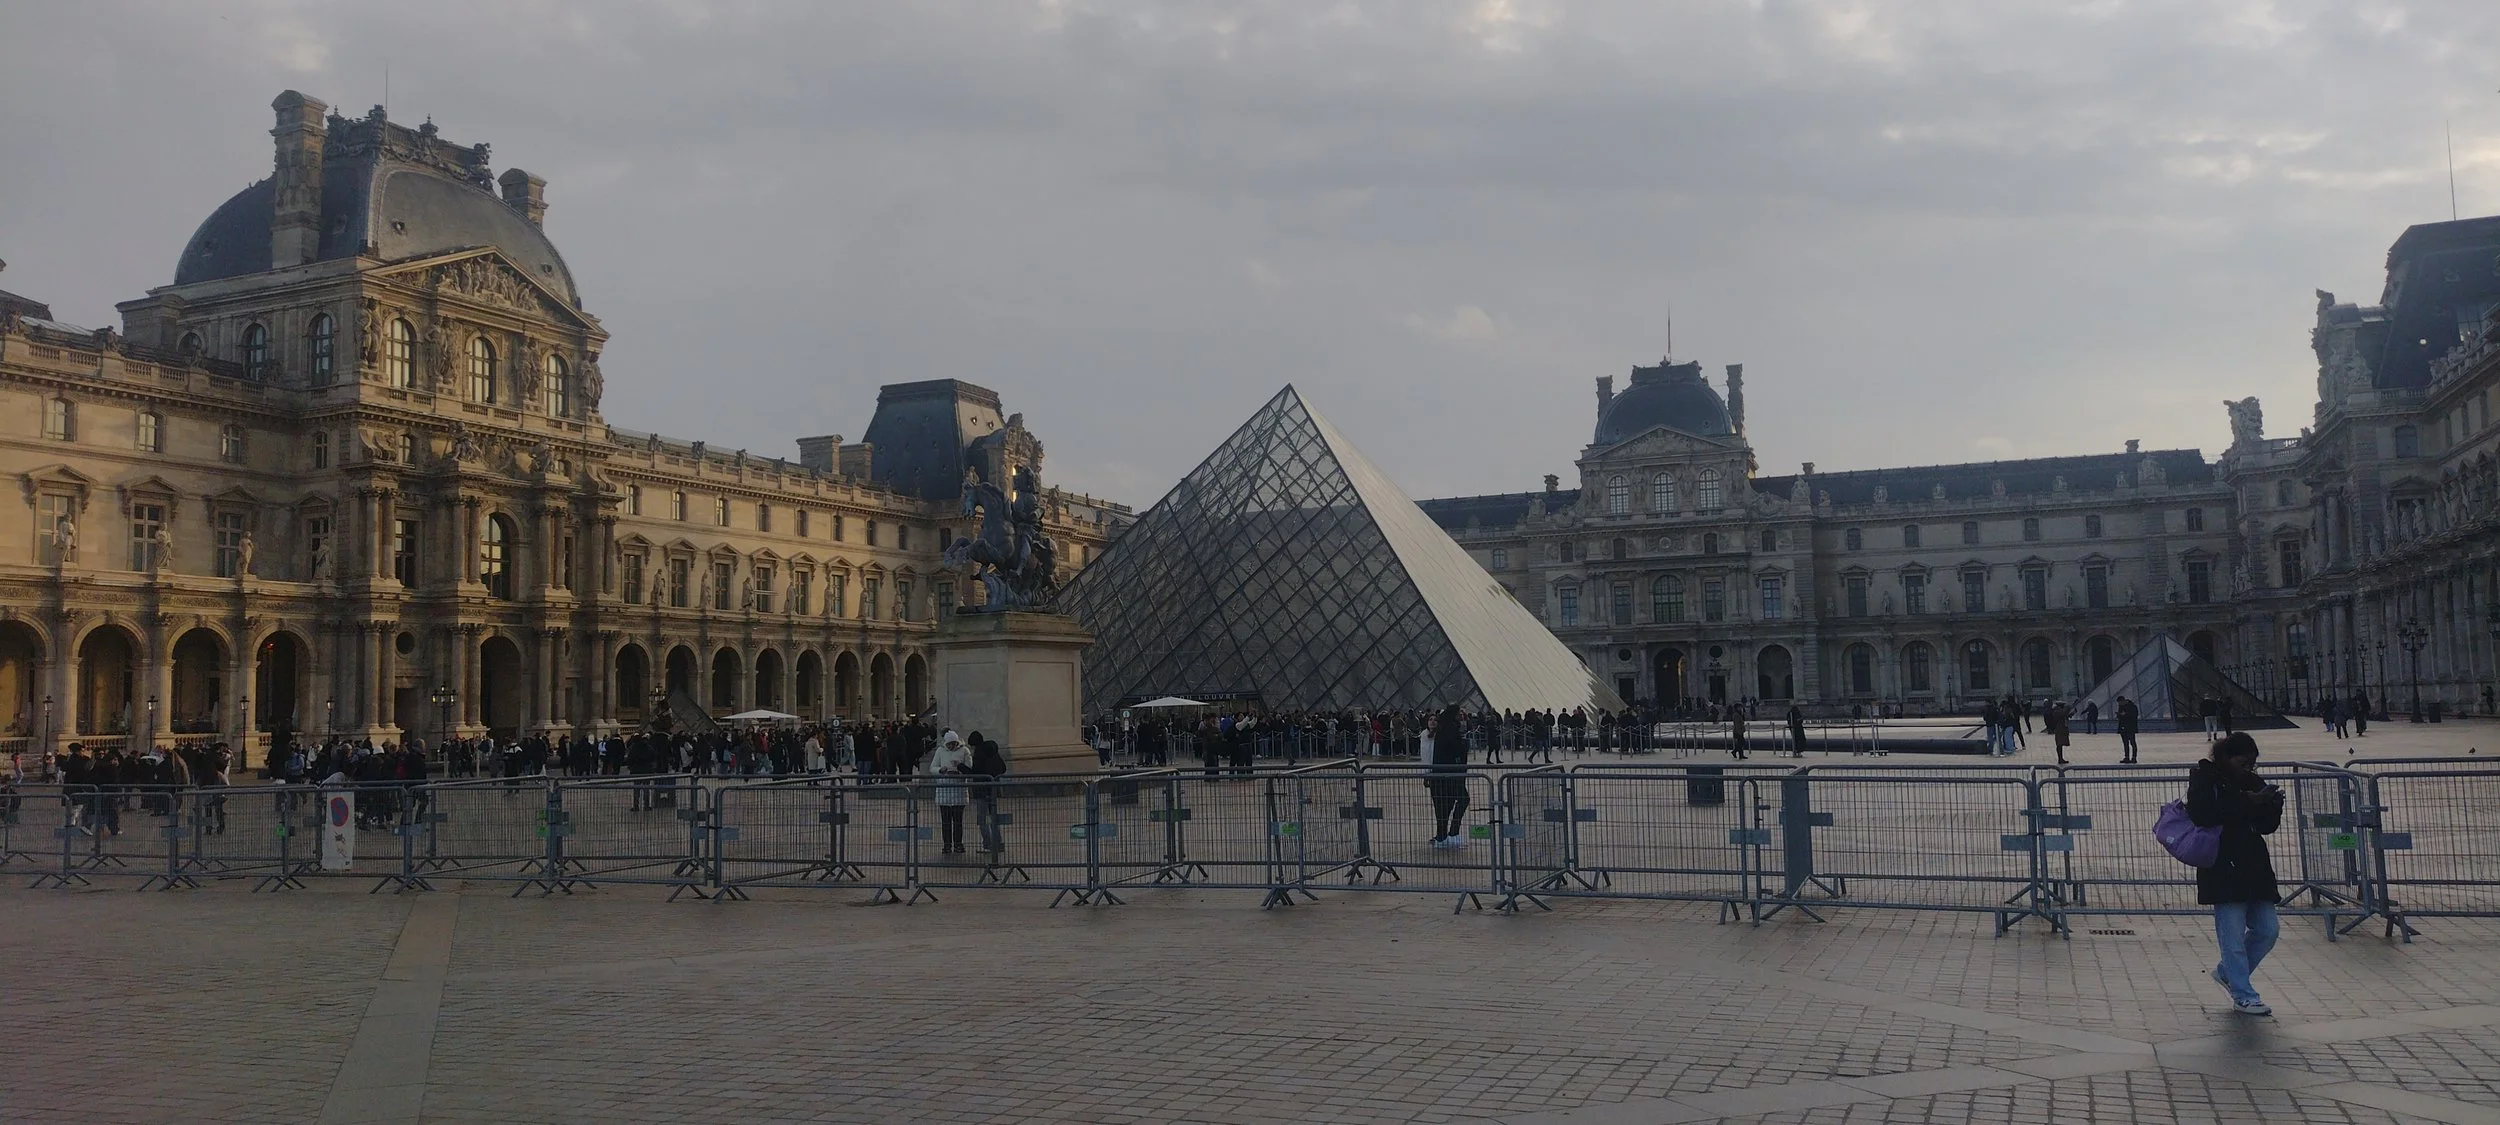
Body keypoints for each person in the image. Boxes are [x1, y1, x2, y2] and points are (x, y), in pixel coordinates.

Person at [2187, 732, 2285, 1016]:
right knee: (2231, 934)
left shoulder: (2253, 781)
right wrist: (2248, 801)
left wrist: (2271, 807)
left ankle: (2227, 973)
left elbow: (2266, 826)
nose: (2250, 769)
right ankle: (2244, 994)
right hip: (2221, 863)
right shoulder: (2205, 779)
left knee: (2268, 930)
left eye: (2253, 764)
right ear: (2226, 757)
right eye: (2244, 763)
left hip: (2253, 863)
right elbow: (2204, 814)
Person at [1426, 704, 1470, 848]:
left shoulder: (1443, 728)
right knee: (1461, 800)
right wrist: (1464, 745)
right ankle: (1451, 833)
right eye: (1460, 712)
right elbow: (1457, 749)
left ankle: (1442, 836)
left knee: (1443, 807)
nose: (1462, 715)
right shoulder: (1451, 729)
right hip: (1450, 774)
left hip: (1441, 774)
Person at [925, 731, 973, 855]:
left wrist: (960, 769)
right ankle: (946, 845)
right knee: (945, 821)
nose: (951, 746)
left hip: (959, 790)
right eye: (949, 744)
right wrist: (941, 770)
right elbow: (932, 767)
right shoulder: (940, 751)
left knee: (958, 821)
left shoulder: (965, 751)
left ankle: (958, 844)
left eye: (953, 744)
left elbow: (969, 768)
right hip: (944, 789)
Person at [969, 732, 1008, 856]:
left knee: (982, 819)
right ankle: (998, 843)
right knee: (993, 817)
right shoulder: (994, 752)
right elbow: (1003, 767)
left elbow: (975, 772)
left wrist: (960, 766)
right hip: (993, 788)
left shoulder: (979, 754)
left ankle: (988, 844)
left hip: (981, 790)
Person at [2115, 696, 2140, 764]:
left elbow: (2135, 715)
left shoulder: (2132, 706)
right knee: (2125, 743)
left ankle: (2134, 758)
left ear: (2123, 701)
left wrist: (2125, 715)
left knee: (2132, 742)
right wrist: (2119, 715)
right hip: (2123, 728)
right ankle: (2127, 757)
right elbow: (2120, 717)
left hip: (2130, 727)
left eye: (2119, 703)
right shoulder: (2121, 706)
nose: (2119, 705)